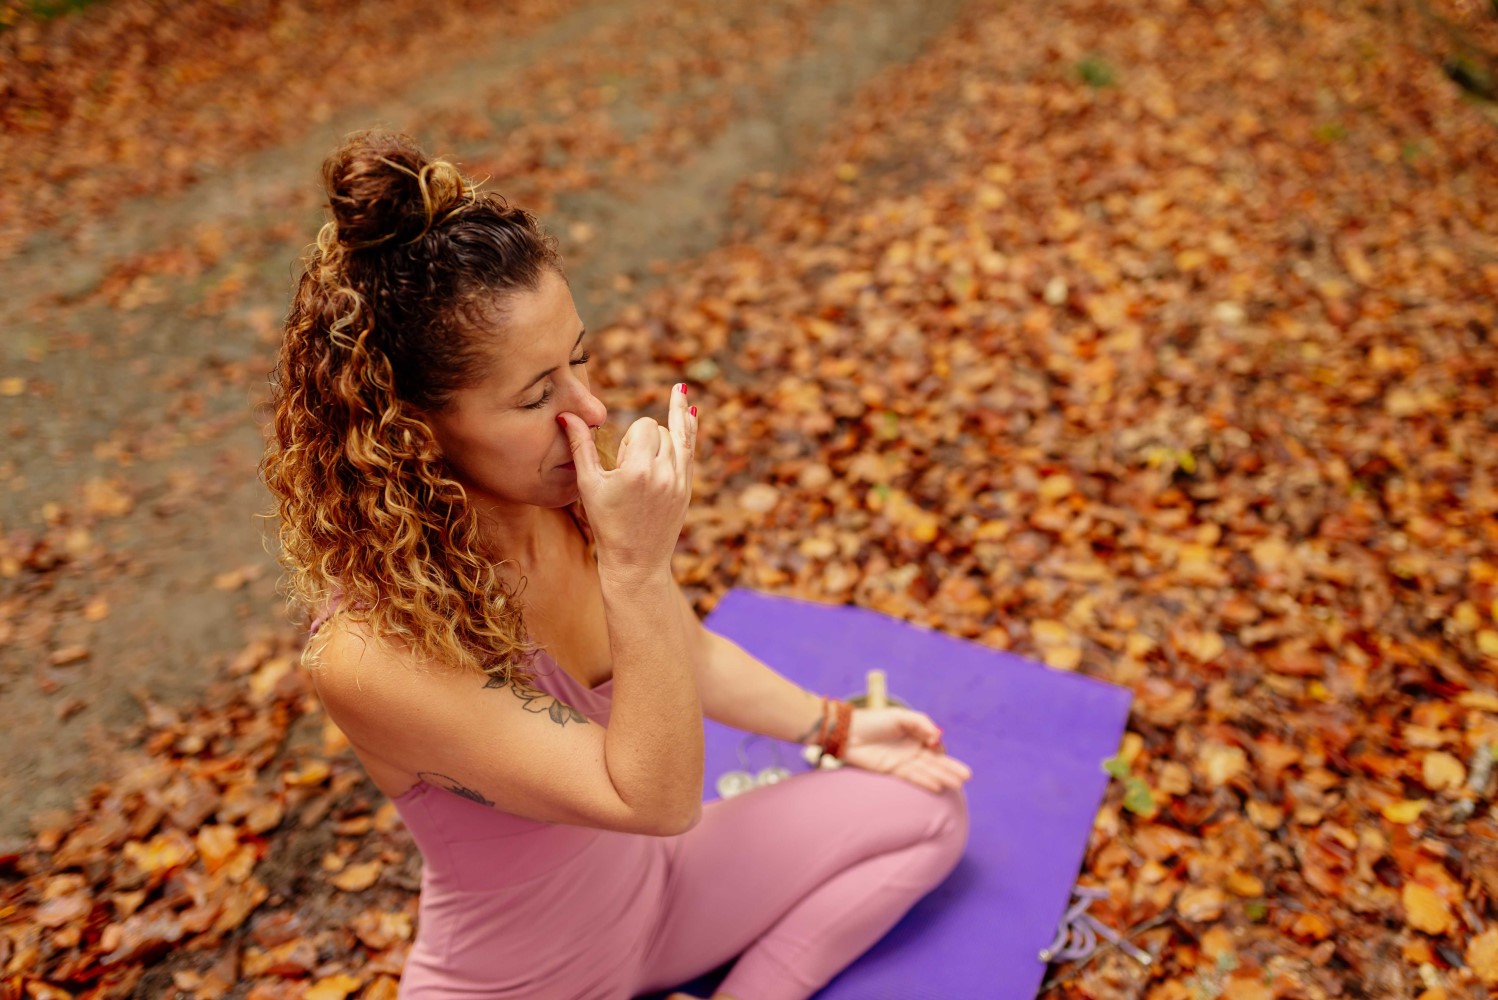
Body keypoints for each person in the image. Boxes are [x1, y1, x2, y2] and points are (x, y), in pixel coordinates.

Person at [261, 129, 972, 1000]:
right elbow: (655, 800)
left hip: (665, 890)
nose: (589, 409)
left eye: (579, 357)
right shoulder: (367, 651)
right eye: (536, 395)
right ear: (412, 430)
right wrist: (636, 567)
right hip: (523, 979)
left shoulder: (564, 503)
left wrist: (836, 728)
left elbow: (689, 653)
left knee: (930, 810)